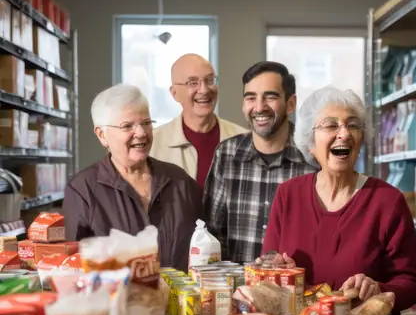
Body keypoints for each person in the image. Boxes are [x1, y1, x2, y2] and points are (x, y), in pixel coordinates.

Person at [261, 85, 416, 315]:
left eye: (353, 125)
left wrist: (378, 288)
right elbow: (267, 269)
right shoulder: (288, 195)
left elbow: (411, 283)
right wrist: (277, 270)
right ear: (311, 143)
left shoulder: (387, 200)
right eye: (331, 125)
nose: (344, 134)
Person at [63, 84, 204, 272]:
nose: (141, 133)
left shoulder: (180, 182)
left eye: (146, 123)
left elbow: (207, 247)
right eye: (127, 126)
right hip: (116, 300)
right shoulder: (83, 190)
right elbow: (72, 267)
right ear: (102, 135)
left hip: (180, 300)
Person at [203, 61, 316, 263]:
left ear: (290, 104)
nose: (259, 107)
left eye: (270, 97)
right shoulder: (226, 154)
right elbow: (211, 235)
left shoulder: (312, 158)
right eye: (251, 98)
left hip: (295, 288)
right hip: (236, 288)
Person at [150, 53, 247, 195]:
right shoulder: (153, 144)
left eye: (209, 80)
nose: (204, 90)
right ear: (175, 93)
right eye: (193, 83)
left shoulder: (244, 140)